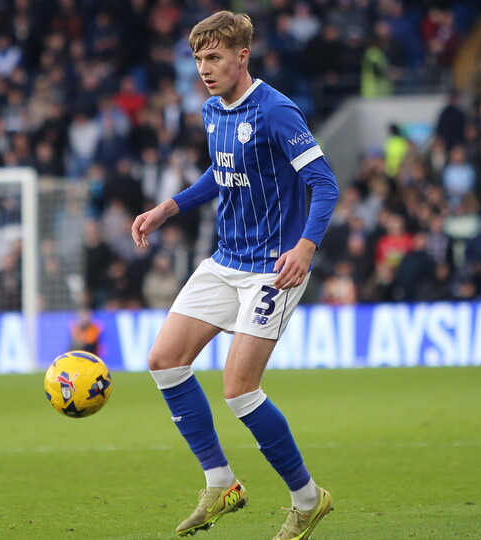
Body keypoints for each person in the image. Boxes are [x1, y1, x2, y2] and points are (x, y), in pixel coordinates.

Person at [130, 11, 339, 540]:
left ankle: (308, 499)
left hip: (273, 270)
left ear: (242, 56)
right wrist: (167, 209)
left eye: (215, 57)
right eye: (198, 58)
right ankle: (220, 481)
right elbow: (220, 174)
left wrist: (305, 248)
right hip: (224, 261)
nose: (204, 68)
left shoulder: (277, 111)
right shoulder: (211, 110)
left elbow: (324, 183)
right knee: (164, 360)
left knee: (239, 389)